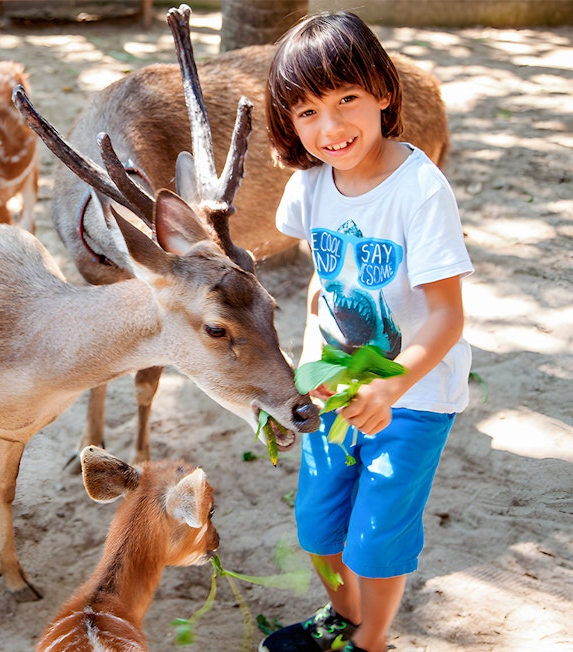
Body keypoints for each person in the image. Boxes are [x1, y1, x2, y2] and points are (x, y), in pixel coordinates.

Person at [258, 11, 473, 652]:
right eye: (306, 112)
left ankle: (371, 641)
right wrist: (303, 366)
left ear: (382, 92)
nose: (330, 127)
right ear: (289, 124)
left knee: (376, 536)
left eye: (346, 99)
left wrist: (391, 389)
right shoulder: (310, 185)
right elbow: (325, 282)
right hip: (334, 389)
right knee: (317, 529)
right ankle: (344, 619)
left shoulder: (420, 192)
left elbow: (447, 316)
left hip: (414, 396)